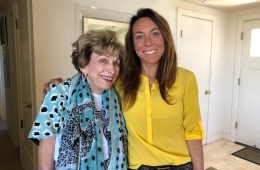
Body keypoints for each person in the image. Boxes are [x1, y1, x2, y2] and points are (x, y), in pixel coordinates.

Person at [43, 8, 204, 170]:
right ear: (132, 44)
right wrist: (58, 87)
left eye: (155, 34)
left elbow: (193, 132)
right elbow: (92, 77)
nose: (148, 42)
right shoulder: (120, 81)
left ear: (165, 38)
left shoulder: (186, 78)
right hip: (136, 167)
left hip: (180, 165)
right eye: (139, 36)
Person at [29, 29, 128, 170]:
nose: (112, 70)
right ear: (83, 65)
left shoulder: (117, 97)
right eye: (103, 60)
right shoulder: (60, 94)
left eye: (116, 63)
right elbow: (44, 164)